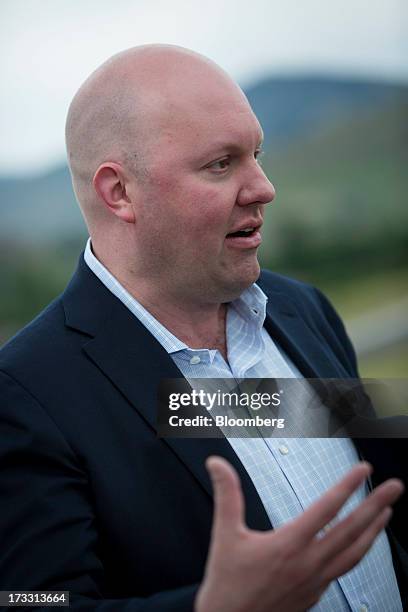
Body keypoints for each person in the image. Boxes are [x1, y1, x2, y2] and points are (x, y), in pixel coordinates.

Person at [0, 45, 406, 611]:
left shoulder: (300, 309)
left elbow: (356, 449)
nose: (263, 187)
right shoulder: (25, 393)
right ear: (120, 193)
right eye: (221, 164)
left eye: (257, 154)